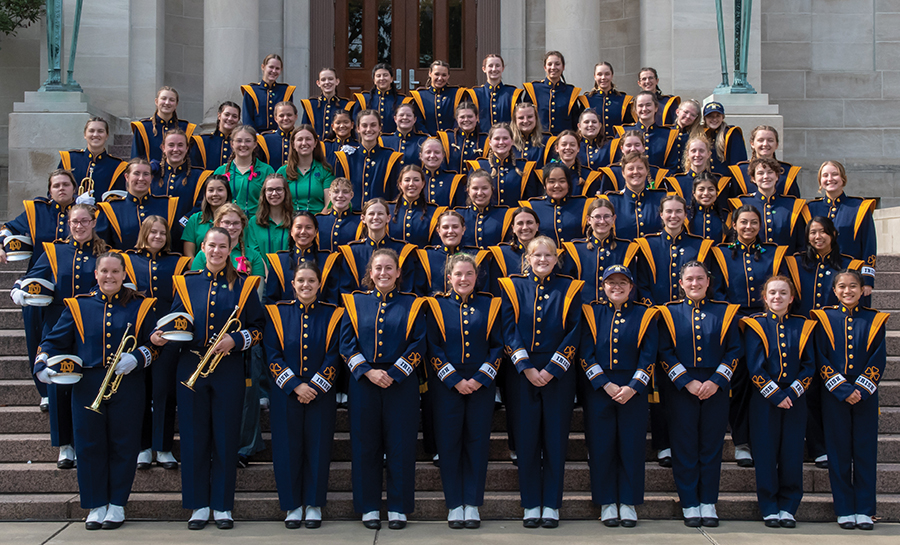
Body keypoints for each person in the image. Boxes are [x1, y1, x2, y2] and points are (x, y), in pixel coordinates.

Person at [35, 251, 161, 530]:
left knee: (123, 444)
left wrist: (138, 358)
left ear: (124, 275)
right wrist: (42, 362)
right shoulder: (79, 306)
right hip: (87, 384)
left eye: (116, 272)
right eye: (104, 271)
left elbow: (155, 345)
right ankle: (95, 504)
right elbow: (54, 340)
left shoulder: (141, 305)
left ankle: (117, 504)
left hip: (127, 382)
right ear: (96, 274)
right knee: (89, 444)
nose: (110, 276)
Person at [158, 227, 264, 530]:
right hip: (190, 364)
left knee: (226, 437)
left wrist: (237, 340)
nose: (217, 251)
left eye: (223, 246)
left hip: (228, 367)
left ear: (231, 249)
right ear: (202, 247)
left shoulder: (244, 285)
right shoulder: (185, 283)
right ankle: (198, 505)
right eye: (211, 246)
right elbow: (176, 321)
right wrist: (161, 334)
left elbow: (259, 329)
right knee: (193, 438)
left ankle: (222, 505)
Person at [14, 203, 107, 470]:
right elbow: (33, 277)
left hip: (90, 329)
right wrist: (21, 289)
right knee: (58, 386)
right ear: (68, 224)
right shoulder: (53, 251)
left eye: (84, 221)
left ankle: (85, 441)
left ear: (93, 222)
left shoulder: (106, 253)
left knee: (86, 384)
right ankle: (65, 445)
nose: (79, 226)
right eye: (74, 221)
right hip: (56, 326)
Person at [498, 236, 583, 528]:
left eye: (548, 255)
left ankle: (552, 505)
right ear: (527, 258)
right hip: (522, 372)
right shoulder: (512, 286)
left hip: (558, 373)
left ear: (556, 259)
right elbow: (507, 329)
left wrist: (552, 369)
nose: (543, 260)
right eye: (537, 256)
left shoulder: (570, 287)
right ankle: (531, 503)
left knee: (556, 440)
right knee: (526, 439)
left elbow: (575, 331)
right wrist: (526, 366)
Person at [340, 248, 426, 530]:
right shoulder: (354, 303)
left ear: (399, 272)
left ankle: (399, 507)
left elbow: (419, 342)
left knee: (400, 445)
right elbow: (346, 344)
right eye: (378, 268)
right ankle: (369, 507)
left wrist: (395, 372)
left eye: (390, 268)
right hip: (364, 381)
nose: (384, 273)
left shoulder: (413, 303)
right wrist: (367, 371)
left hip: (401, 382)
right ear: (370, 273)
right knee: (366, 446)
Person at [657, 261, 741, 528]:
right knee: (684, 446)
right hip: (682, 388)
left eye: (700, 279)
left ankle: (708, 501)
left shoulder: (725, 312)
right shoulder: (669, 313)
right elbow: (665, 351)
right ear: (680, 283)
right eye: (689, 279)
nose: (695, 284)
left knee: (710, 446)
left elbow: (734, 350)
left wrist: (717, 381)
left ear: (708, 281)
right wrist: (687, 382)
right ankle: (690, 501)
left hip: (716, 387)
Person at [786, 217, 870, 471]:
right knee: (809, 392)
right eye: (813, 232)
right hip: (806, 335)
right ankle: (817, 447)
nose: (818, 237)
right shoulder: (796, 263)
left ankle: (838, 445)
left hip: (840, 336)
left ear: (833, 234)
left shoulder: (850, 264)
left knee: (835, 392)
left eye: (823, 232)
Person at [264, 262, 343, 529]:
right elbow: (272, 353)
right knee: (287, 450)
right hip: (286, 394)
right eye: (301, 281)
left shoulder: (333, 314)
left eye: (311, 281)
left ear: (319, 284)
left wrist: (316, 387)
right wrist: (295, 385)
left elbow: (335, 354)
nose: (306, 285)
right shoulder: (277, 313)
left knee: (318, 449)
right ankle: (292, 505)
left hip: (321, 394)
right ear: (292, 284)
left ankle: (313, 504)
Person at [425, 253, 502, 528]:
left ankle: (473, 503)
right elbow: (432, 346)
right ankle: (454, 503)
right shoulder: (435, 305)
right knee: (449, 444)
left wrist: (481, 377)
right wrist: (454, 379)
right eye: (458, 274)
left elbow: (497, 345)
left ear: (477, 277)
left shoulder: (491, 305)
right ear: (449, 278)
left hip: (481, 384)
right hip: (447, 385)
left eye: (469, 274)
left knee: (477, 444)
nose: (464, 279)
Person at [710, 205, 789, 468]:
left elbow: (780, 289)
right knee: (741, 383)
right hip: (735, 324)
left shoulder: (774, 254)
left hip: (767, 325)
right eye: (743, 222)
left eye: (754, 223)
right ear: (734, 225)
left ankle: (763, 439)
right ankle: (742, 441)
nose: (748, 227)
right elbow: (717, 291)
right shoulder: (721, 253)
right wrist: (736, 318)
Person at [579, 265, 657, 527]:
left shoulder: (645, 314)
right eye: (611, 282)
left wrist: (633, 386)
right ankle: (607, 502)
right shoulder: (591, 313)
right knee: (601, 447)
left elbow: (649, 355)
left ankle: (629, 501)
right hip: (600, 390)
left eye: (622, 282)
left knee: (631, 447)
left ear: (631, 286)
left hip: (633, 390)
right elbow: (586, 354)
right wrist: (605, 385)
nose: (617, 287)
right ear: (602, 286)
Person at [812, 269, 887, 531]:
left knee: (865, 452)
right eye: (842, 286)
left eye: (853, 286)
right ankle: (844, 508)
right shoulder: (823, 318)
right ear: (834, 291)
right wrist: (843, 389)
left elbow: (879, 358)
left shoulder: (874, 319)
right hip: (835, 394)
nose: (847, 291)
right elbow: (821, 357)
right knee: (839, 451)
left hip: (866, 394)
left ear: (862, 288)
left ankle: (865, 509)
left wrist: (862, 389)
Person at [743, 275, 815, 528]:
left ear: (792, 298)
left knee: (792, 453)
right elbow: (754, 367)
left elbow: (809, 365)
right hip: (765, 400)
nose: (777, 297)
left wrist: (793, 393)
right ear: (764, 297)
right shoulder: (755, 325)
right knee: (765, 453)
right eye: (772, 292)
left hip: (795, 399)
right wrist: (775, 394)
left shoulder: (803, 325)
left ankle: (789, 505)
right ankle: (769, 506)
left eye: (783, 293)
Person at [1, 169, 77, 410]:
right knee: (35, 335)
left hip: (71, 284)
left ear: (74, 188)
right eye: (56, 185)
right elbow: (9, 228)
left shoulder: (86, 212)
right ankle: (44, 391)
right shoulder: (36, 210)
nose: (61, 189)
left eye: (66, 184)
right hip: (38, 283)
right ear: (49, 190)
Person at [122, 218, 192, 472]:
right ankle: (143, 447)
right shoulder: (127, 260)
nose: (158, 236)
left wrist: (168, 328)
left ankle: (162, 448)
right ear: (144, 233)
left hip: (168, 337)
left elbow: (184, 299)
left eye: (162, 233)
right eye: (153, 232)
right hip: (139, 335)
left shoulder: (179, 263)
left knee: (163, 392)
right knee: (140, 392)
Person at [806, 160, 877, 294]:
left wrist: (867, 279)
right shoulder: (810, 208)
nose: (830, 179)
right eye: (825, 175)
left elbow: (869, 244)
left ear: (843, 178)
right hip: (818, 275)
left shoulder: (859, 207)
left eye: (835, 174)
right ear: (820, 181)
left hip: (851, 275)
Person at [561, 199, 636, 305]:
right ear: (588, 219)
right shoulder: (575, 249)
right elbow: (567, 287)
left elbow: (634, 286)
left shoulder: (627, 249)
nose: (602, 221)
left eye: (607, 216)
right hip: (584, 312)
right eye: (597, 217)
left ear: (614, 219)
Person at [96, 158, 179, 251]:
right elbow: (103, 247)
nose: (141, 178)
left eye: (146, 174)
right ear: (126, 177)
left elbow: (176, 243)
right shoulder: (111, 208)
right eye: (136, 173)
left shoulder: (167, 205)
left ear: (151, 178)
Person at [338, 198, 418, 294]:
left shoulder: (403, 249)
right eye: (371, 214)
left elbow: (407, 288)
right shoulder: (352, 251)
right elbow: (345, 290)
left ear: (388, 218)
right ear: (363, 218)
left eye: (380, 214)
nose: (376, 217)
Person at [729, 157, 806, 253]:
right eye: (760, 173)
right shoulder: (741, 203)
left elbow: (801, 243)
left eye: (770, 172)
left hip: (785, 264)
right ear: (753, 179)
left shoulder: (793, 205)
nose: (766, 176)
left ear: (777, 176)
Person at [264, 211, 340, 305]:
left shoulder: (328, 260)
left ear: (316, 231)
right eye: (298, 227)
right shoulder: (279, 261)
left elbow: (332, 300)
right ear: (291, 231)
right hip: (284, 318)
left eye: (308, 228)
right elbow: (271, 300)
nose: (303, 232)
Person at [332, 110, 404, 209]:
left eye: (373, 125)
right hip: (352, 218)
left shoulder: (390, 158)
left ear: (379, 128)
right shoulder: (346, 158)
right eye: (364, 125)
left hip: (379, 219)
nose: (369, 129)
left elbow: (395, 195)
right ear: (358, 128)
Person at [152, 129, 213, 235]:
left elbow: (202, 206)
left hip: (186, 234)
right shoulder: (152, 175)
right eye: (171, 145)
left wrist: (183, 223)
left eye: (180, 145)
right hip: (156, 235)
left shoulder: (200, 176)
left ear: (187, 148)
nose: (176, 149)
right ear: (163, 148)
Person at [416, 210, 488, 296]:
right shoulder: (426, 257)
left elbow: (483, 295)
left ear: (463, 229)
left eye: (455, 227)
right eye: (445, 227)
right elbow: (419, 294)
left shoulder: (478, 256)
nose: (450, 231)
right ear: (438, 231)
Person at [466, 123, 540, 207]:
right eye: (497, 139)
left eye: (505, 138)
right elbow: (470, 201)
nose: (501, 142)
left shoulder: (525, 168)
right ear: (490, 142)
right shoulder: (477, 166)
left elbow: (530, 203)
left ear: (512, 141)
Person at [213, 125, 275, 218]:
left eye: (248, 141)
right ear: (232, 144)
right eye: (239, 141)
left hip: (257, 223)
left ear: (255, 144)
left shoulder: (266, 170)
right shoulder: (221, 171)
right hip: (229, 223)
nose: (243, 145)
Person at [522, 163, 592, 245]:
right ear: (544, 185)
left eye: (562, 181)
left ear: (568, 184)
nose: (557, 185)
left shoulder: (584, 205)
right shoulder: (532, 206)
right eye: (551, 182)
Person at [604, 152, 668, 241]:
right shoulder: (612, 200)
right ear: (623, 173)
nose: (635, 172)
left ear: (646, 171)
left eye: (640, 168)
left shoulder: (661, 198)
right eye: (630, 169)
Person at [191, 204, 266, 279]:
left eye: (236, 223)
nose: (231, 227)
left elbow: (258, 289)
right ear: (217, 224)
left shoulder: (254, 256)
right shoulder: (203, 254)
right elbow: (195, 284)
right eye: (226, 222)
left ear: (242, 225)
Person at [58, 117, 127, 196]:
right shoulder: (70, 159)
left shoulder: (118, 166)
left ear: (107, 135)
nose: (95, 135)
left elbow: (119, 197)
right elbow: (54, 192)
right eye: (91, 131)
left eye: (100, 131)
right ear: (85, 134)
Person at [587, 131, 669, 195]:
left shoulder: (656, 173)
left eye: (637, 145)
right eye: (628, 145)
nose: (633, 149)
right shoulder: (611, 173)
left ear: (644, 147)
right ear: (622, 148)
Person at [729, 125, 802, 197]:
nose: (765, 144)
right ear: (752, 144)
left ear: (776, 145)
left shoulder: (788, 171)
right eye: (760, 140)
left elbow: (793, 202)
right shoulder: (740, 171)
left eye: (770, 140)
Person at [276, 125, 335, 213]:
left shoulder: (325, 171)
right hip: (290, 223)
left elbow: (329, 204)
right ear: (293, 144)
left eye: (308, 139)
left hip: (317, 222)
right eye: (300, 139)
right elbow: (277, 204)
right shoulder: (283, 172)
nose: (304, 143)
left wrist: (316, 222)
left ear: (315, 143)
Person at [614, 91, 680, 170]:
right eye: (640, 106)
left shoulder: (668, 135)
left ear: (656, 108)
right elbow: (617, 163)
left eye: (648, 105)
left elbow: (672, 167)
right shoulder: (623, 131)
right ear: (635, 109)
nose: (644, 109)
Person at [131, 87, 196, 162]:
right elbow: (135, 160)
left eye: (172, 100)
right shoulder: (143, 127)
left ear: (176, 104)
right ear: (156, 101)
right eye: (163, 98)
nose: (167, 102)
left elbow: (191, 159)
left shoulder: (186, 128)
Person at [523, 51, 581, 135]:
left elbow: (575, 121)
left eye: (557, 64)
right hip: (539, 140)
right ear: (545, 67)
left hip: (563, 141)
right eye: (549, 64)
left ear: (563, 67)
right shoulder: (533, 89)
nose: (553, 67)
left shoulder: (571, 92)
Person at [663, 134, 730, 208]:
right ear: (687, 154)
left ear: (708, 154)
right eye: (693, 151)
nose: (697, 154)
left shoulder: (719, 181)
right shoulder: (676, 182)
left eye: (701, 151)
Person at [389, 165, 444, 247]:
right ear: (400, 184)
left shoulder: (434, 212)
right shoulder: (388, 210)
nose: (411, 184)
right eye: (407, 180)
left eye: (416, 180)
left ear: (423, 184)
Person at [407, 60, 467, 135]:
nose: (440, 78)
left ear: (448, 76)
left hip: (452, 140)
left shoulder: (457, 94)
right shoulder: (420, 96)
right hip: (427, 141)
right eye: (437, 74)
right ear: (430, 73)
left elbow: (459, 119)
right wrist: (428, 138)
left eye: (444, 75)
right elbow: (418, 121)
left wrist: (451, 136)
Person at [456, 169, 513, 249]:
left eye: (484, 188)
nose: (479, 193)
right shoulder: (458, 215)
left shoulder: (505, 215)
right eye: (475, 188)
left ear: (492, 190)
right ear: (468, 191)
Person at [241, 54, 296, 133]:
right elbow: (247, 119)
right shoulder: (251, 90)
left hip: (279, 136)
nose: (274, 71)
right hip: (257, 137)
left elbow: (289, 117)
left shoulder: (286, 91)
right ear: (263, 67)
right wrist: (254, 136)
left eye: (277, 68)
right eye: (271, 67)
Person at [577, 62, 633, 139]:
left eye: (607, 74)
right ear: (595, 77)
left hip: (617, 146)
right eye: (599, 74)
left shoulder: (623, 100)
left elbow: (629, 127)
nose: (603, 77)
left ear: (612, 76)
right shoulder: (586, 99)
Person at [469, 54, 522, 133]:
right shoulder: (475, 94)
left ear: (502, 68)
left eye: (497, 66)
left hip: (506, 141)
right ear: (484, 69)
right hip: (481, 142)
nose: (494, 69)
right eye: (490, 66)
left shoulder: (512, 93)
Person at [181, 175, 232, 258]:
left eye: (220, 190)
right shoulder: (194, 220)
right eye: (211, 190)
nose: (215, 194)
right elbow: (189, 255)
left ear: (228, 193)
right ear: (205, 194)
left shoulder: (236, 219)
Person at [299, 67, 355, 139]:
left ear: (337, 81)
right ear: (318, 83)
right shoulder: (310, 104)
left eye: (330, 79)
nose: (327, 82)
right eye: (323, 80)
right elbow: (304, 130)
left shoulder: (347, 104)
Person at [352, 63, 407, 134]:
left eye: (385, 75)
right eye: (378, 76)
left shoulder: (402, 100)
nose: (382, 78)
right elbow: (356, 123)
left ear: (391, 79)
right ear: (374, 80)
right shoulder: (363, 99)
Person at [246, 174, 293, 256]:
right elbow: (255, 254)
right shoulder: (254, 222)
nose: (274, 193)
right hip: (261, 268)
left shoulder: (295, 220)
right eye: (270, 190)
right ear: (264, 193)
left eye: (279, 189)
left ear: (286, 191)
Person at [315, 177, 362, 252]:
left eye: (345, 192)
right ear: (329, 194)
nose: (340, 195)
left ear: (351, 195)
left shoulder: (360, 220)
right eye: (336, 192)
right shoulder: (318, 220)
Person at [190, 102, 241, 171]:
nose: (230, 119)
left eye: (234, 116)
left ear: (238, 120)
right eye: (227, 114)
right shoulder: (202, 141)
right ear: (219, 116)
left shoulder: (241, 144)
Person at [439, 102, 487, 173]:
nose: (466, 120)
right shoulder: (447, 139)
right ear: (457, 119)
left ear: (477, 118)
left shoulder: (485, 141)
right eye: (462, 117)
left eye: (470, 116)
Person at [703, 102, 748, 177]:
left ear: (723, 117)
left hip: (725, 182)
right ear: (704, 118)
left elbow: (737, 163)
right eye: (710, 116)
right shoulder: (700, 134)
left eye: (718, 116)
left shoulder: (731, 133)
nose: (714, 119)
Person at [420, 137, 467, 208]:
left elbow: (460, 209)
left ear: (443, 155)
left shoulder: (454, 180)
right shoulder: (415, 179)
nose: (432, 156)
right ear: (421, 156)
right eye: (428, 152)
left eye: (437, 152)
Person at [381, 102, 428, 168]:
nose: (405, 117)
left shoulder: (424, 141)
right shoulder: (383, 141)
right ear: (395, 119)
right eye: (401, 115)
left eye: (409, 115)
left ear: (415, 119)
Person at [687, 173, 730, 243]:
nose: (706, 193)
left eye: (711, 189)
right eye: (701, 189)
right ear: (694, 193)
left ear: (716, 193)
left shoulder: (727, 217)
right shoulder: (685, 215)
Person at [257, 101, 298, 171]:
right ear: (275, 119)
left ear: (295, 117)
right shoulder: (265, 140)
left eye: (289, 115)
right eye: (281, 116)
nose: (285, 118)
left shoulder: (302, 139)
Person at [668, 99, 703, 175]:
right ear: (677, 112)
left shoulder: (698, 135)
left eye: (693, 115)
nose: (688, 116)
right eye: (686, 112)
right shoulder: (666, 132)